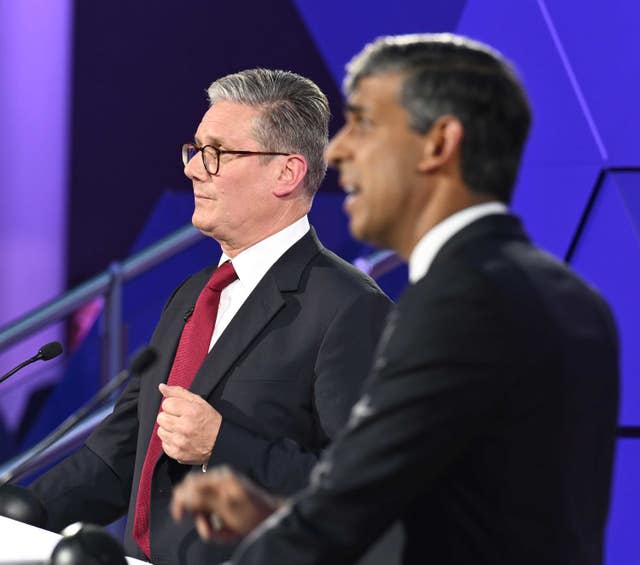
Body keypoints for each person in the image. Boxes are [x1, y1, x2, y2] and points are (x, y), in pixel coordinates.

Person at [170, 34, 620, 565]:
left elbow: (349, 511)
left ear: (438, 145)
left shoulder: (461, 302)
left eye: (363, 124)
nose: (336, 151)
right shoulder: (571, 296)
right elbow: (465, 507)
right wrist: (275, 516)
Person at [29, 69, 391, 564]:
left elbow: (366, 491)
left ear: (286, 173)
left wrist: (223, 444)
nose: (195, 169)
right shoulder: (194, 295)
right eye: (196, 150)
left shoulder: (350, 307)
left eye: (218, 152)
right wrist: (18, 514)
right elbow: (119, 458)